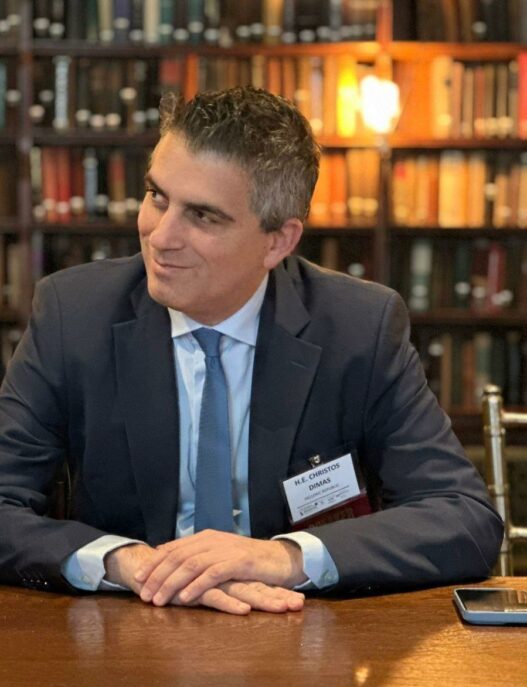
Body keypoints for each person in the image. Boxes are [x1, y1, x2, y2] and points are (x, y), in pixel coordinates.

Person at [0, 87, 503, 615]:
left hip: (299, 633)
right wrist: (125, 563)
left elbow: (461, 517)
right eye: (157, 197)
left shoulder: (359, 327)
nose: (160, 236)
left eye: (202, 216)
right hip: (126, 626)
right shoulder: (73, 314)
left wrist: (284, 558)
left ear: (278, 242)